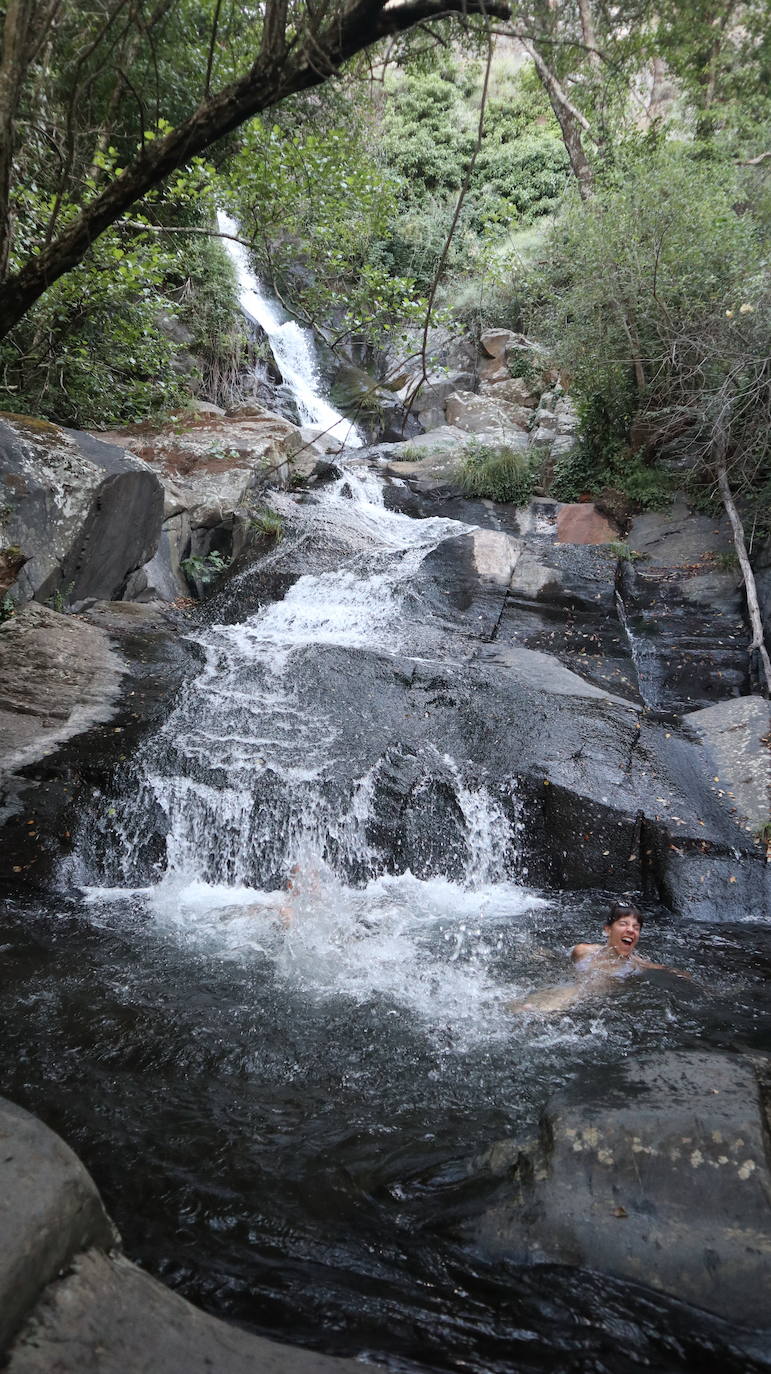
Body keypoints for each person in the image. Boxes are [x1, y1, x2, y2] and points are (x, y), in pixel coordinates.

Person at [507, 901, 690, 1015]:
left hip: (588, 1003)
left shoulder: (637, 965)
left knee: (559, 999)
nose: (630, 930)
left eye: (636, 927)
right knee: (516, 1006)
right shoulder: (582, 951)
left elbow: (669, 972)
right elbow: (561, 961)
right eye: (624, 924)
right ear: (607, 930)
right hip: (565, 987)